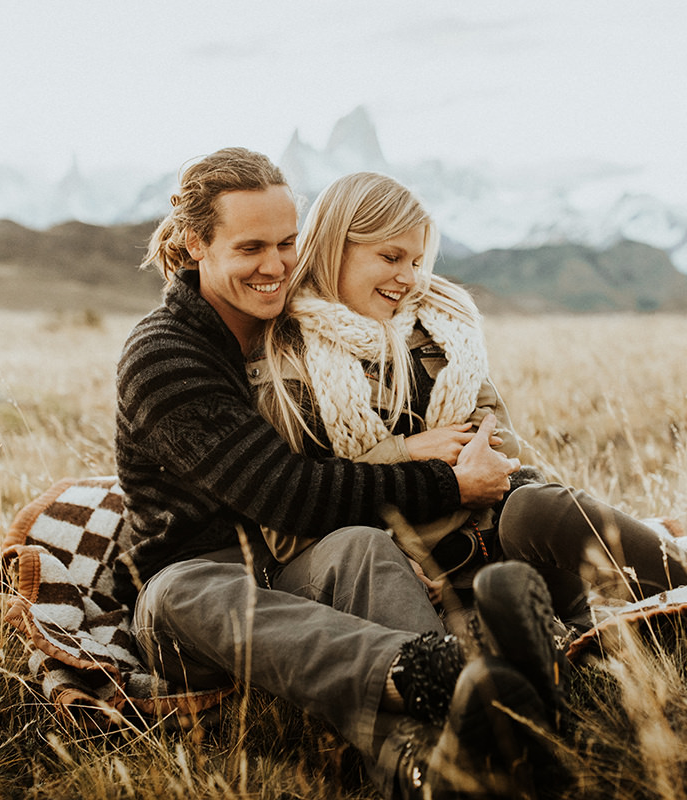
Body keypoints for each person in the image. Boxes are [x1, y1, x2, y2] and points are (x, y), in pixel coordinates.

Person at [113, 148, 567, 799]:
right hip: (196, 599)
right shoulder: (165, 354)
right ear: (196, 244)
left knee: (359, 546)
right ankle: (440, 669)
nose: (273, 266)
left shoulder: (297, 336)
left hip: (292, 567)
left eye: (287, 243)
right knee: (186, 590)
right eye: (249, 248)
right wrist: (444, 481)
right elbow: (288, 491)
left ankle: (438, 762)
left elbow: (333, 484)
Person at [251, 171, 687, 632]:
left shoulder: (442, 331)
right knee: (385, 563)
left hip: (488, 534)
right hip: (406, 570)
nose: (408, 279)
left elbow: (500, 449)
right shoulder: (288, 360)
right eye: (390, 256)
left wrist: (473, 472)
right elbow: (290, 520)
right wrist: (414, 459)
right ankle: (487, 661)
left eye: (416, 262)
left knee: (536, 505)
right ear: (337, 248)